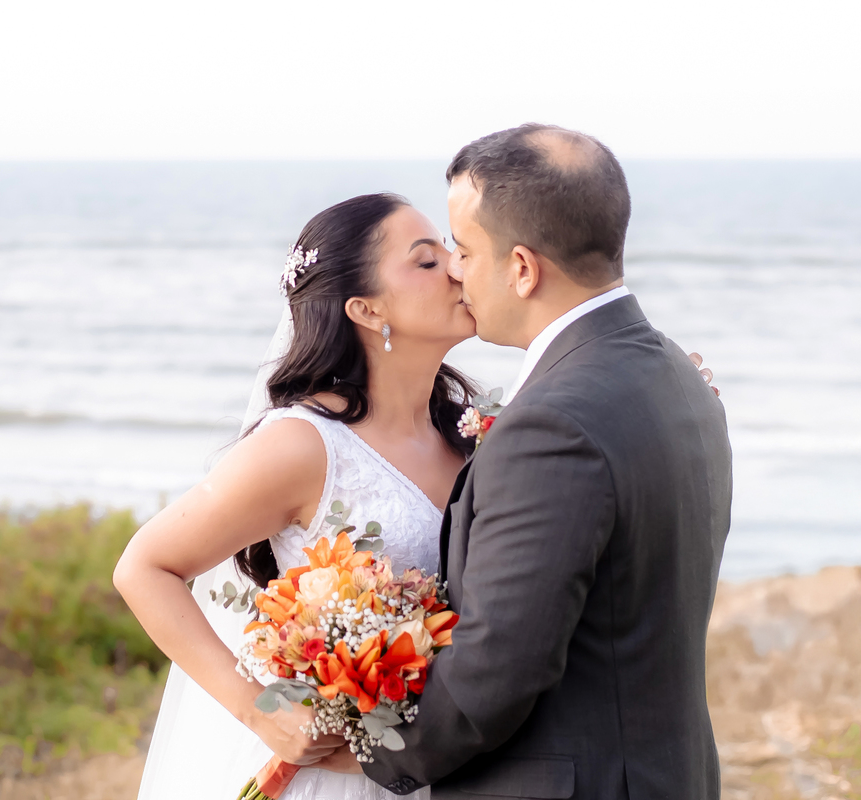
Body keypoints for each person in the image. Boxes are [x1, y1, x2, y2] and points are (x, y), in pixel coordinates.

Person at [114, 124, 728, 800]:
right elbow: (145, 566)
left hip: (435, 761)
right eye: (430, 259)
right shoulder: (301, 446)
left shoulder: (481, 431)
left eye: (457, 250)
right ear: (367, 309)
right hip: (354, 770)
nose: (460, 269)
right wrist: (262, 710)